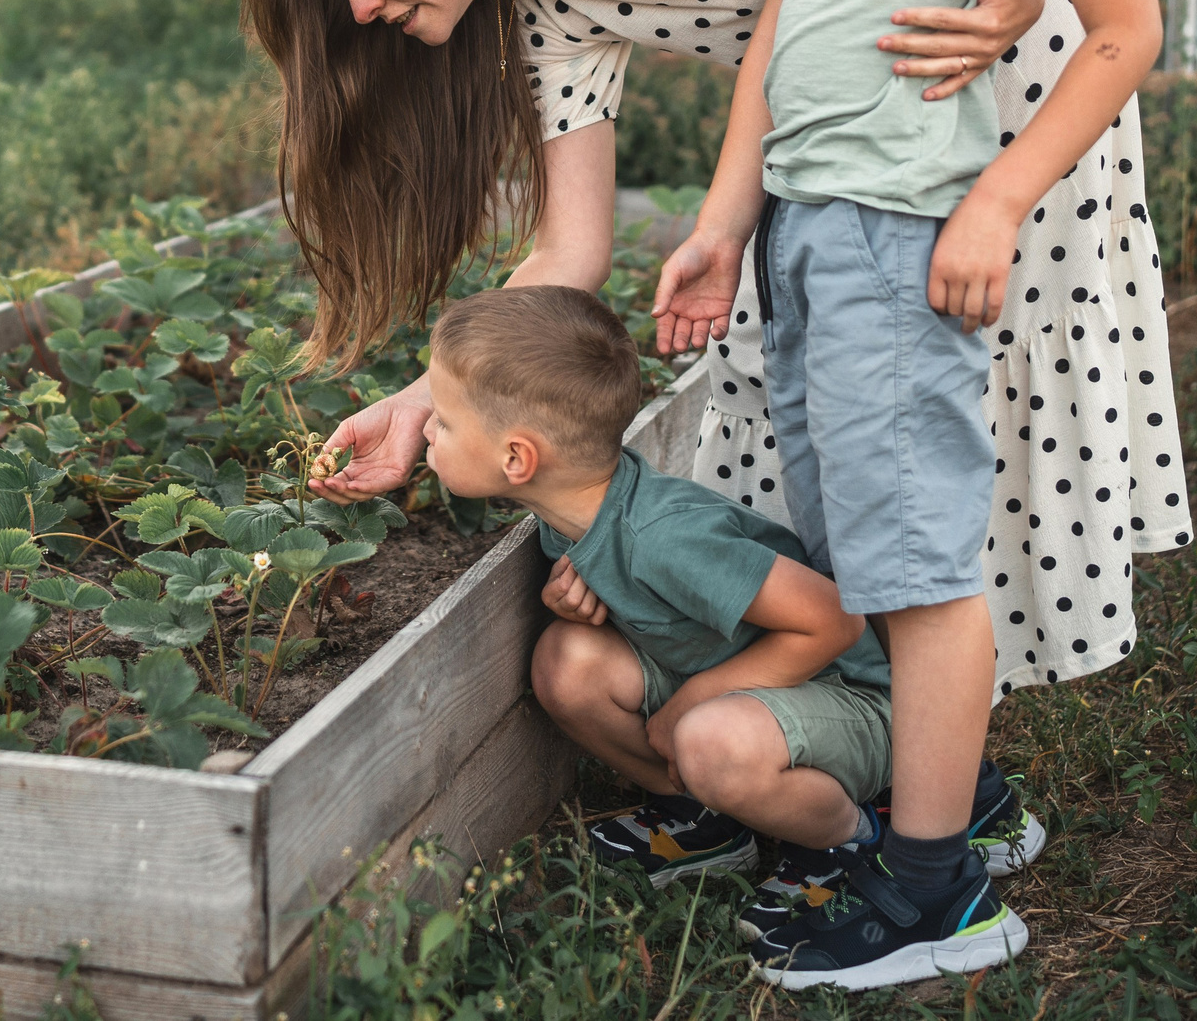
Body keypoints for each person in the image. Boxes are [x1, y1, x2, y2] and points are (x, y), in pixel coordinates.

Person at [647, 0, 1168, 990]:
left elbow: (1127, 24)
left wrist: (997, 196)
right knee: (859, 549)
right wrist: (723, 223)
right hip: (804, 237)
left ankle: (936, 892)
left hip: (896, 233)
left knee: (925, 571)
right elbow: (779, 41)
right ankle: (951, 814)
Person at [424, 285, 1036, 979]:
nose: (427, 432)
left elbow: (835, 620)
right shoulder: (578, 510)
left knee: (706, 738)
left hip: (853, 703)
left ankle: (849, 843)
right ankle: (709, 821)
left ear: (517, 460)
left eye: (443, 422)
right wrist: (573, 602)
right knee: (567, 662)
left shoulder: (666, 538)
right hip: (764, 693)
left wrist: (693, 704)